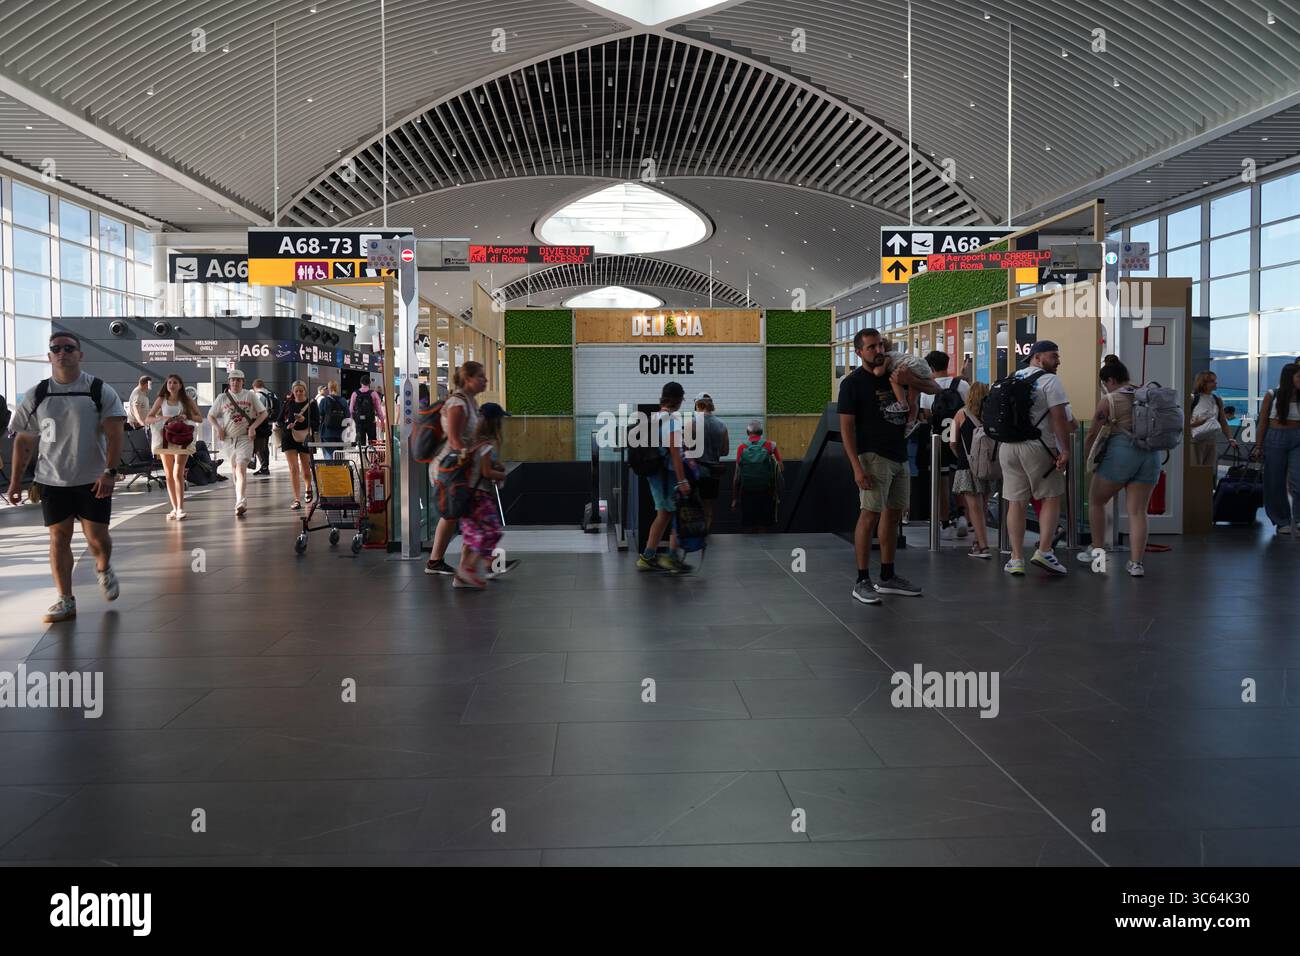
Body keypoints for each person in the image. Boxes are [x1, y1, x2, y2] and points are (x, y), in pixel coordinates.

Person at [4, 332, 127, 623]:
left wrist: (110, 472)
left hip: (92, 479)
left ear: (80, 355)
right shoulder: (37, 394)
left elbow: (115, 435)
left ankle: (103, 566)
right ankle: (65, 599)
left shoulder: (98, 389)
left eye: (69, 348)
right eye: (55, 349)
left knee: (96, 537)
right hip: (52, 479)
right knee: (58, 538)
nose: (62, 353)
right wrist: (15, 482)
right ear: (49, 356)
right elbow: (24, 441)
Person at [838, 328, 940, 604]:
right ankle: (861, 579)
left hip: (899, 455)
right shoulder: (852, 384)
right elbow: (846, 428)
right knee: (869, 514)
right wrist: (857, 467)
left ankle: (887, 575)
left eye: (880, 345)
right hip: (872, 456)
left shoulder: (897, 371)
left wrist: (909, 380)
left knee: (893, 515)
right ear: (858, 352)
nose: (878, 351)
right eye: (871, 347)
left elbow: (935, 388)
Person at [427, 362, 521, 577]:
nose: (485, 381)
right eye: (481, 376)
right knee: (455, 516)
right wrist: (477, 457)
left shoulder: (469, 402)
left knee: (469, 519)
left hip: (462, 469)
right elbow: (455, 440)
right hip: (452, 469)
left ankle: (468, 566)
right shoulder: (457, 403)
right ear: (467, 378)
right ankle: (444, 563)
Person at [997, 340, 1073, 576]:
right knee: (1051, 497)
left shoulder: (1012, 377)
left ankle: (1016, 558)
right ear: (1037, 357)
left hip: (1008, 448)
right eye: (1054, 356)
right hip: (1038, 447)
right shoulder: (1050, 381)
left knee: (1016, 502)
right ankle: (1044, 550)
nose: (1058, 361)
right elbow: (1060, 418)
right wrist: (1065, 450)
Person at [1079, 358, 1161, 577]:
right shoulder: (1148, 394)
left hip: (1122, 453)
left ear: (1111, 380)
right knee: (1137, 511)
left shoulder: (1110, 399)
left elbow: (1093, 432)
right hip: (1151, 455)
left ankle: (1097, 553)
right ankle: (1136, 564)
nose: (1106, 388)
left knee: (1096, 501)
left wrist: (1086, 456)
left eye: (1106, 384)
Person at [637, 381, 695, 573]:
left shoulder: (654, 419)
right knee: (674, 513)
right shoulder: (672, 421)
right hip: (666, 476)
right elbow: (675, 452)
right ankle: (671, 558)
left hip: (655, 474)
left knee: (664, 514)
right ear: (678, 400)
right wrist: (682, 480)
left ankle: (648, 557)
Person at [453, 403, 511, 589]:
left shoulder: (473, 442)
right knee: (491, 531)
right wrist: (502, 475)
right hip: (480, 497)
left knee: (472, 537)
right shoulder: (485, 445)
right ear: (494, 422)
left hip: (468, 495)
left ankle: (464, 574)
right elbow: (486, 472)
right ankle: (468, 569)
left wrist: (496, 466)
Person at [918, 350, 971, 540]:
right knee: (960, 476)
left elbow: (925, 416)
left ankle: (945, 522)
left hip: (937, 441)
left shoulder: (927, 388)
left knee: (941, 481)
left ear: (930, 367)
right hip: (960, 440)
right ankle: (963, 515)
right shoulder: (962, 385)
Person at [206, 368, 266, 517]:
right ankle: (239, 497)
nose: (235, 382)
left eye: (238, 380)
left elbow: (264, 413)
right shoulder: (222, 397)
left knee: (240, 467)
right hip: (228, 439)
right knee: (234, 469)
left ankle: (240, 500)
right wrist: (218, 428)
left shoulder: (250, 395)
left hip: (245, 437)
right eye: (232, 379)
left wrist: (253, 426)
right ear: (229, 382)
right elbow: (210, 415)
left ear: (243, 382)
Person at [145, 373, 203, 520]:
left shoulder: (186, 400)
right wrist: (162, 418)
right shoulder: (161, 399)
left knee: (178, 473)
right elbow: (148, 418)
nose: (172, 385)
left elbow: (199, 418)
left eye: (175, 382)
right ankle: (174, 507)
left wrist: (186, 416)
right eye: (169, 382)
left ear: (180, 385)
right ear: (167, 385)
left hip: (182, 438)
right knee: (169, 475)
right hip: (167, 437)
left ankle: (180, 507)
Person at [1253, 362, 1300, 535]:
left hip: (1298, 438)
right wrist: (1258, 446)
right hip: (1275, 438)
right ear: (1290, 378)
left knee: (1298, 479)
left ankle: (1299, 518)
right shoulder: (1272, 395)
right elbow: (1263, 421)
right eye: (1299, 376)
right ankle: (1282, 521)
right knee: (1275, 482)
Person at [949, 381, 994, 559]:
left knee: (973, 507)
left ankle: (983, 546)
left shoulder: (960, 414)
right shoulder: (991, 414)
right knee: (982, 506)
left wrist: (961, 454)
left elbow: (952, 441)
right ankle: (978, 541)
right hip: (987, 466)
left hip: (966, 465)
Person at [732, 420, 782, 532]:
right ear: (761, 432)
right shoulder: (771, 446)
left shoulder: (742, 447)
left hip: (747, 490)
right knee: (764, 523)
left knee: (750, 525)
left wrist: (735, 498)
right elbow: (780, 468)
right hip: (767, 490)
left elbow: (737, 476)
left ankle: (751, 548)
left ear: (747, 433)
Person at [880, 339, 935, 439]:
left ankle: (902, 403)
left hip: (912, 366)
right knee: (912, 400)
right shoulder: (897, 354)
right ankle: (910, 424)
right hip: (921, 367)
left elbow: (879, 371)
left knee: (894, 378)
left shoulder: (886, 357)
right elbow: (936, 388)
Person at [279, 380, 320, 511]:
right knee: (293, 468)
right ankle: (297, 499)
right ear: (292, 391)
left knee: (306, 468)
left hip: (305, 437)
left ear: (305, 391)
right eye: (296, 391)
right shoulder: (288, 403)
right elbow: (279, 419)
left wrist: (305, 420)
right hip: (288, 437)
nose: (298, 393)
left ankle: (308, 487)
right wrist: (286, 425)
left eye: (301, 390)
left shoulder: (312, 404)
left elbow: (317, 424)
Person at [693, 392, 729, 531]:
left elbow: (687, 450)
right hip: (713, 472)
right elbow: (725, 451)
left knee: (693, 504)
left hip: (695, 471)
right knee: (708, 506)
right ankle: (705, 532)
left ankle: (694, 532)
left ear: (698, 405)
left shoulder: (693, 424)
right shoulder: (722, 425)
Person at [1189, 371, 1237, 467]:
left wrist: (1231, 439)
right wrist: (1195, 423)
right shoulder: (1193, 398)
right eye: (1211, 381)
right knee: (1196, 471)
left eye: (1214, 380)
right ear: (1203, 383)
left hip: (1211, 441)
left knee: (1210, 472)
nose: (1215, 383)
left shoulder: (1217, 400)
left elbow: (1223, 421)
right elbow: (1183, 421)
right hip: (1195, 442)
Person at [249, 378, 278, 476]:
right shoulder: (271, 394)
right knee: (264, 445)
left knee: (259, 446)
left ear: (254, 386)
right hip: (269, 423)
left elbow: (255, 411)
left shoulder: (257, 395)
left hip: (259, 423)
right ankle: (265, 466)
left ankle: (264, 467)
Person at [350, 375, 386, 449]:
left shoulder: (355, 394)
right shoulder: (373, 394)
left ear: (360, 383)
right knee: (373, 444)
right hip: (370, 422)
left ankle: (362, 459)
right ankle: (373, 459)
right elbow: (378, 409)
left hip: (359, 423)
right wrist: (382, 421)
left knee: (361, 444)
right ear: (369, 383)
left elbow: (351, 410)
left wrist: (353, 420)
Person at [317, 380, 349, 458]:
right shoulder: (343, 401)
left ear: (328, 388)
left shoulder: (324, 401)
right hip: (341, 433)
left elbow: (320, 415)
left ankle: (330, 469)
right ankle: (339, 469)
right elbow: (347, 416)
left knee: (329, 457)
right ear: (337, 388)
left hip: (327, 432)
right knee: (339, 457)